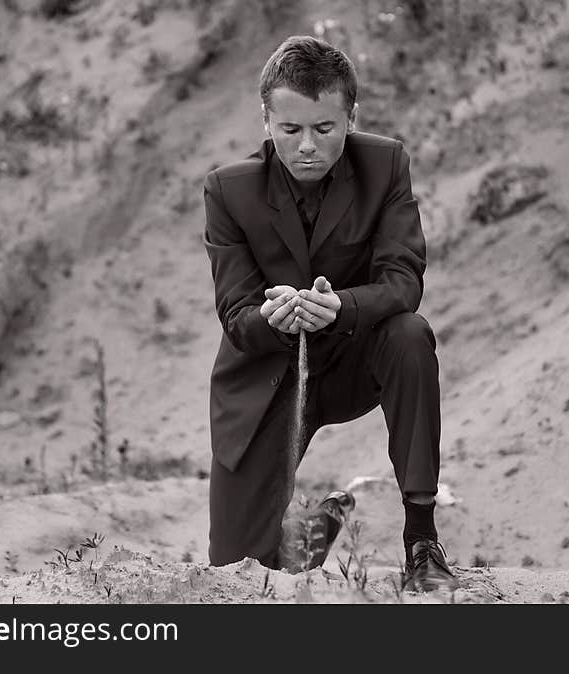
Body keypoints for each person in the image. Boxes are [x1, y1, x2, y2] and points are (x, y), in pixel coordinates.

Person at [202, 35, 454, 591]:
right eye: (290, 130)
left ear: (351, 116)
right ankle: (321, 523)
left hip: (353, 358)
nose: (308, 147)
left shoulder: (386, 164)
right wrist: (272, 317)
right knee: (241, 571)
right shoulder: (227, 191)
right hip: (268, 374)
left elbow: (403, 281)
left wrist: (341, 307)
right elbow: (235, 314)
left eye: (325, 128)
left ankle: (422, 541)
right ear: (265, 120)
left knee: (411, 335)